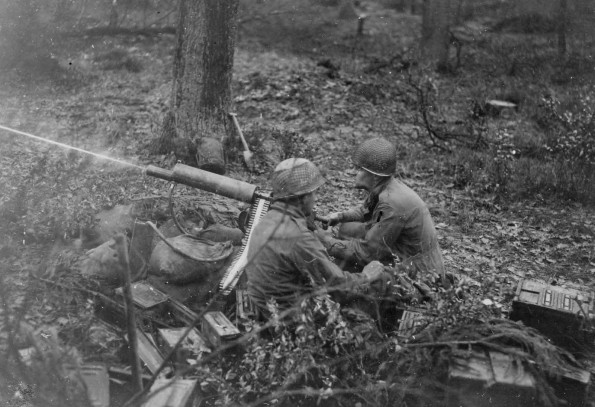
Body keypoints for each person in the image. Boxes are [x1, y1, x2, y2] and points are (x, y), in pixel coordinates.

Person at [245, 157, 388, 320]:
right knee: (368, 322)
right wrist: (366, 276)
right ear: (304, 198)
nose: (315, 199)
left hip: (265, 308)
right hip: (290, 320)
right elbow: (338, 287)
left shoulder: (268, 218)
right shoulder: (299, 236)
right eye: (314, 193)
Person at [316, 138, 447, 284]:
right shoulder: (385, 187)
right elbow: (365, 210)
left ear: (374, 176)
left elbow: (366, 253)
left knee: (349, 263)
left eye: (359, 169)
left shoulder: (391, 203)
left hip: (422, 275)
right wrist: (339, 217)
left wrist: (326, 241)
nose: (354, 173)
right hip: (411, 259)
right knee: (347, 228)